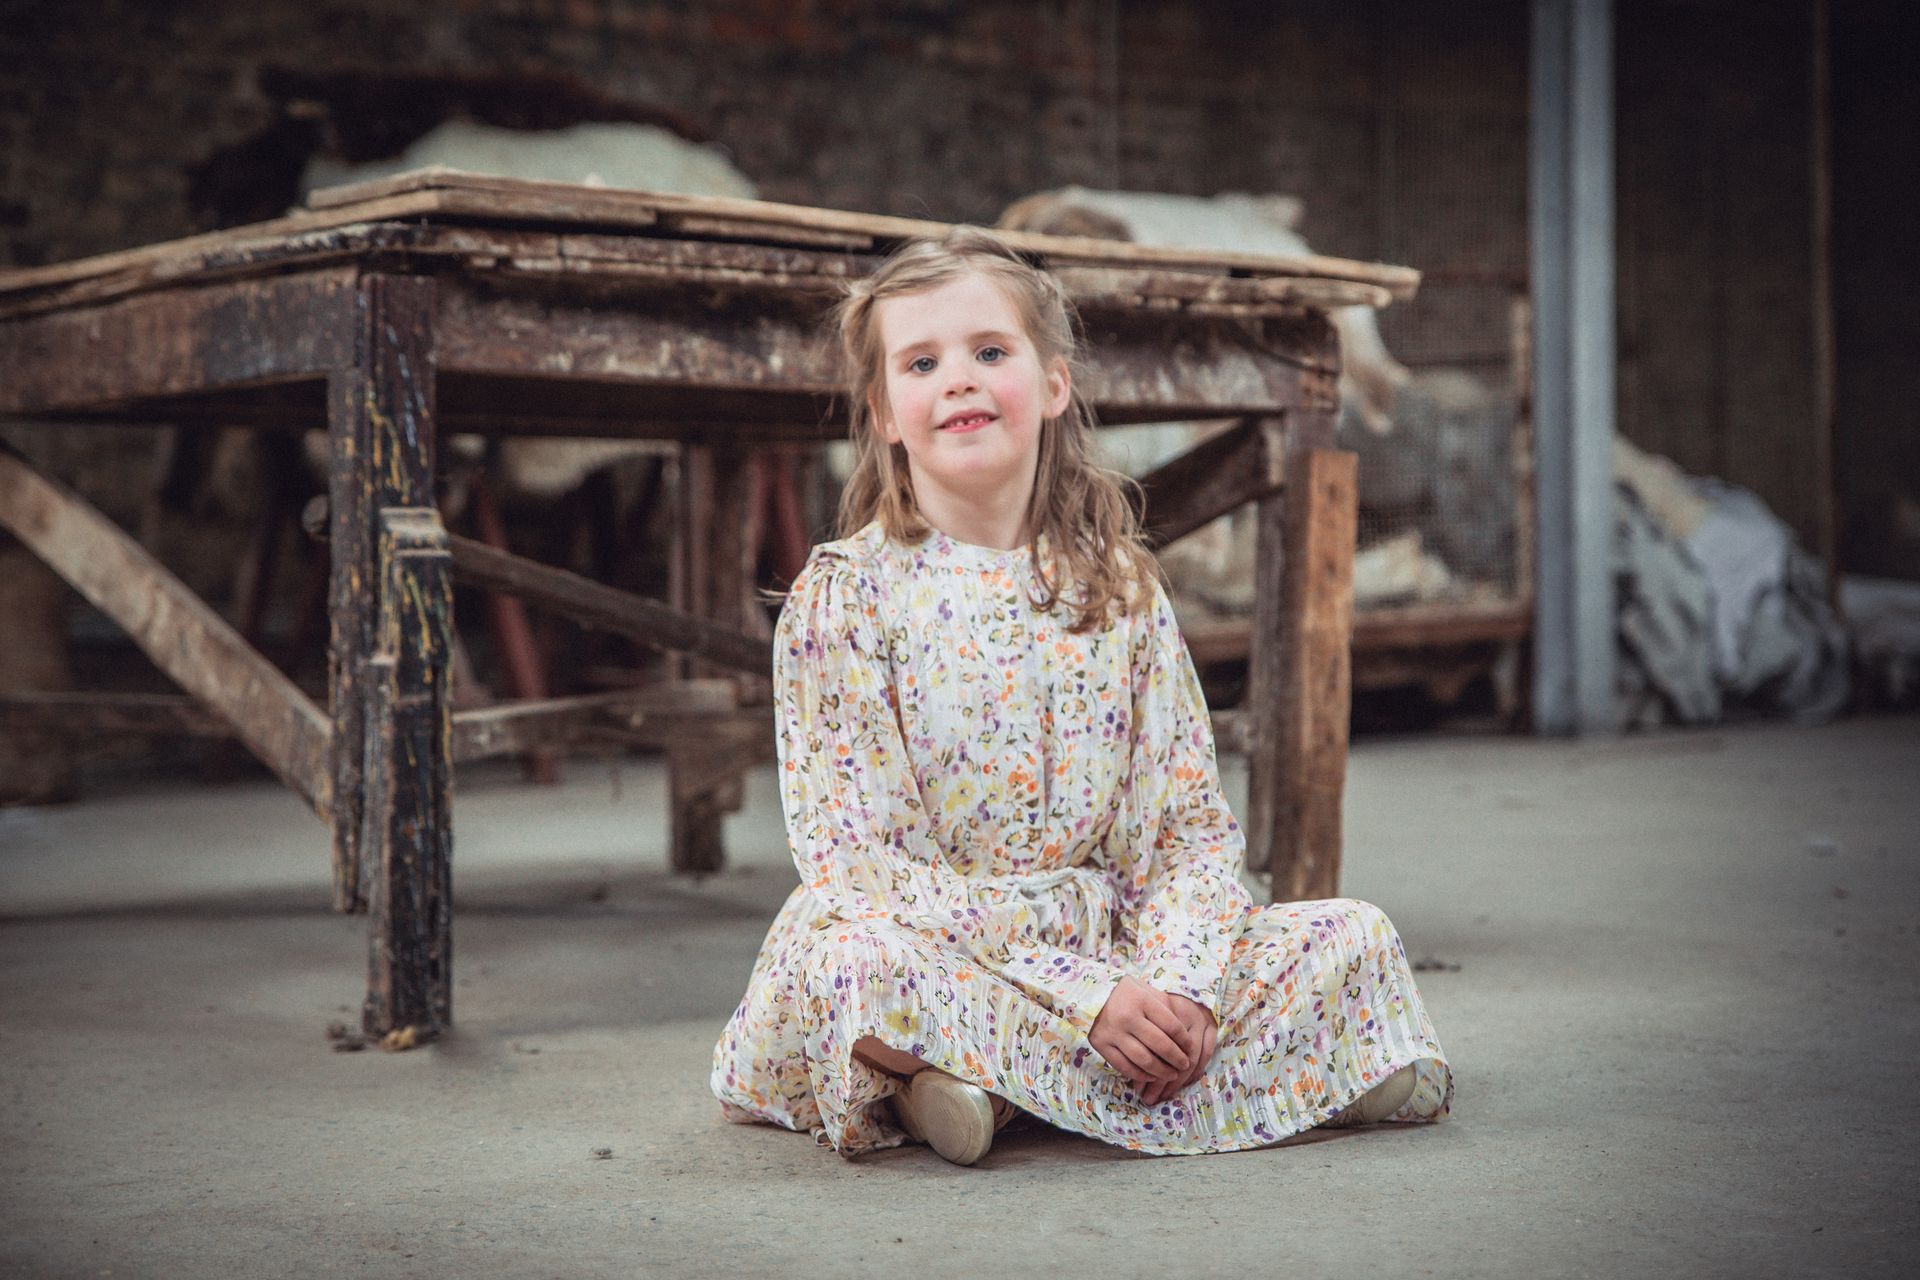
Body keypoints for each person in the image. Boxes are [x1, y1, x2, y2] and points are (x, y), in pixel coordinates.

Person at [709, 226, 1452, 1164]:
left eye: (990, 351)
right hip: (949, 950)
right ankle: (1243, 1076)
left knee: (1350, 936)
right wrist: (1080, 996)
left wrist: (1179, 987)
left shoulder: (1119, 588)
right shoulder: (847, 598)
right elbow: (860, 870)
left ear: (1054, 385)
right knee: (856, 971)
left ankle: (986, 1092)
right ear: (886, 413)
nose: (960, 379)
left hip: (1118, 946)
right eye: (922, 362)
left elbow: (1185, 831)